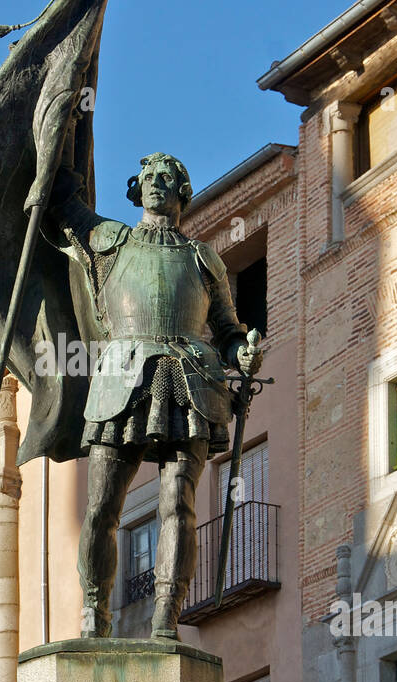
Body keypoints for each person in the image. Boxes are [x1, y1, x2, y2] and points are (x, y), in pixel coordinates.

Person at [45, 151, 262, 639]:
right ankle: (95, 614)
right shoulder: (110, 242)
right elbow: (59, 200)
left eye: (168, 178)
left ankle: (167, 613)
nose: (158, 183)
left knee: (178, 502)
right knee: (101, 505)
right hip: (122, 377)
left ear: (182, 192)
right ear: (136, 188)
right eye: (149, 177)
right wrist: (59, 126)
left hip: (190, 380)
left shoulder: (203, 258)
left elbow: (226, 330)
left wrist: (240, 352)